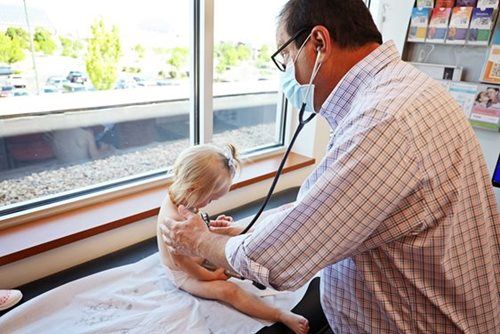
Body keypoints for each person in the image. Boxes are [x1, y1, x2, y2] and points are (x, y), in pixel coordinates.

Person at [161, 0, 500, 332]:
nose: (290, 74)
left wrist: (200, 241)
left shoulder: (382, 121)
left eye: (287, 57)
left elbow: (277, 259)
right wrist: (241, 232)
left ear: (318, 44)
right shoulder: (411, 92)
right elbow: (329, 211)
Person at [157, 144, 309, 334]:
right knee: (229, 291)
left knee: (237, 247)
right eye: (210, 200)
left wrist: (208, 225)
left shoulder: (182, 197)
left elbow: (195, 225)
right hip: (185, 274)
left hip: (195, 258)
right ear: (194, 188)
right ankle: (279, 314)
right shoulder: (173, 222)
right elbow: (181, 264)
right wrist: (211, 276)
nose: (209, 203)